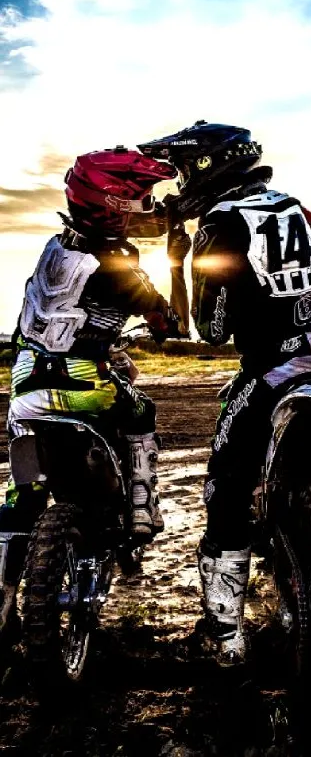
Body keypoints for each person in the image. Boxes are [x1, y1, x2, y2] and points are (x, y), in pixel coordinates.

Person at [138, 120, 311, 664]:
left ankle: (225, 636)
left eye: (181, 170)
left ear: (207, 168)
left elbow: (213, 328)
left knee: (226, 491)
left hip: (274, 373)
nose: (178, 184)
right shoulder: (290, 206)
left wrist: (178, 263)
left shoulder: (220, 225)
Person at [0, 145, 187, 632]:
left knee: (22, 492)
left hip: (26, 385)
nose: (148, 205)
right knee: (140, 410)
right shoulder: (119, 269)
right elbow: (171, 325)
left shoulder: (56, 249)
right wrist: (175, 264)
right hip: (84, 384)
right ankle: (143, 506)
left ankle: (2, 597)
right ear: (115, 202)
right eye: (141, 197)